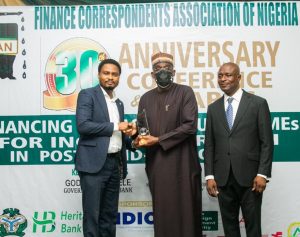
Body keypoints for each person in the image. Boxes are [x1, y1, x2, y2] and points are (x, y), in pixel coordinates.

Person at [132, 52, 202, 237]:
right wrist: (137, 138)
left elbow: (190, 126)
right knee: (163, 213)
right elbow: (143, 130)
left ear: (174, 71)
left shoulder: (185, 92)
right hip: (158, 165)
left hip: (184, 164)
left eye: (167, 67)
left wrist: (159, 140)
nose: (163, 71)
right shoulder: (145, 98)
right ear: (152, 75)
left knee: (187, 212)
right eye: (158, 68)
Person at [204, 62, 273, 236]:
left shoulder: (258, 104)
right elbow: (209, 145)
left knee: (253, 227)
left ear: (239, 77)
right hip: (222, 179)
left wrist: (262, 174)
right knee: (229, 228)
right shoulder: (213, 109)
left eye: (228, 75)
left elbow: (267, 142)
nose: (223, 79)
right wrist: (210, 176)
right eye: (220, 75)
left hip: (251, 178)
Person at [75, 58, 134, 237]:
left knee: (109, 216)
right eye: (106, 73)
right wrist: (117, 125)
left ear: (119, 78)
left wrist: (134, 141)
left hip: (114, 164)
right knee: (92, 216)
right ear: (99, 75)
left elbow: (118, 137)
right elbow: (83, 126)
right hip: (93, 165)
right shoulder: (87, 94)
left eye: (114, 74)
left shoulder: (119, 103)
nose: (110, 77)